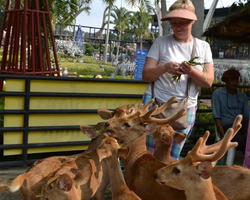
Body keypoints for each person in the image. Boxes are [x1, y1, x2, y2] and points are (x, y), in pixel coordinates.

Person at [142, 0, 214, 160]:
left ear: (192, 21)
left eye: (183, 22)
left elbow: (208, 82)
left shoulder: (203, 47)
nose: (178, 26)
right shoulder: (161, 42)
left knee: (172, 154)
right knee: (149, 154)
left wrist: (191, 71)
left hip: (185, 108)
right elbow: (146, 75)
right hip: (155, 104)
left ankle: (164, 185)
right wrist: (165, 67)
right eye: (174, 23)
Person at [212, 69, 249, 154]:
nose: (235, 82)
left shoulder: (242, 96)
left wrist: (247, 134)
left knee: (244, 138)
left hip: (241, 126)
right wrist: (223, 135)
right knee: (240, 139)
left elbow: (247, 117)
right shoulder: (217, 94)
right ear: (226, 81)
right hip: (227, 126)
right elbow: (216, 117)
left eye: (236, 79)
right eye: (232, 80)